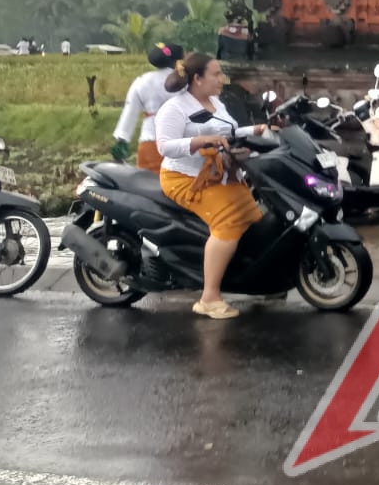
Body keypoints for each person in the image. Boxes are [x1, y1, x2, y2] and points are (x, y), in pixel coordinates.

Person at [155, 53, 267, 319]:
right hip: (186, 179)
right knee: (228, 221)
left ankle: (255, 280)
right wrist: (201, 141)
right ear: (197, 79)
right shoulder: (175, 108)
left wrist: (255, 130)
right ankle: (209, 297)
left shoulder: (216, 102)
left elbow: (227, 133)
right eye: (216, 74)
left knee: (252, 214)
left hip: (219, 173)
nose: (221, 79)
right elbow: (165, 147)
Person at [112, 43, 183, 173]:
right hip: (178, 143)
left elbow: (129, 114)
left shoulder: (142, 81)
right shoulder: (183, 82)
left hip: (149, 143)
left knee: (147, 187)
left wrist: (121, 142)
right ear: (177, 61)